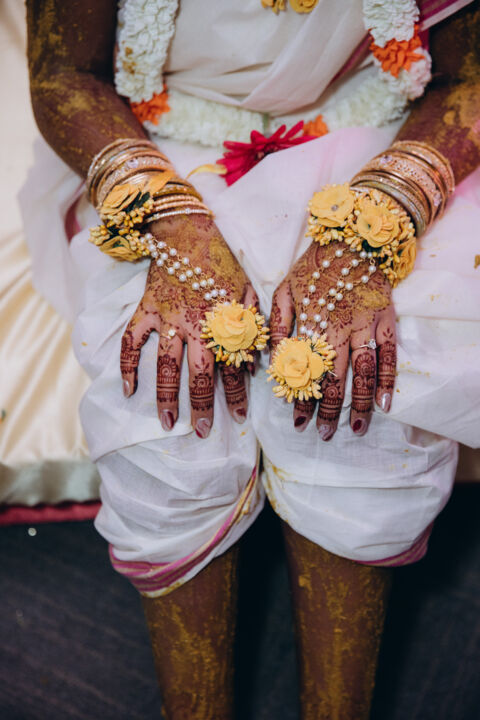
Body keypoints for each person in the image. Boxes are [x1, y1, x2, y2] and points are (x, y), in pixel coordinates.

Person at [24, 1, 480, 718]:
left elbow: (468, 76)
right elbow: (63, 72)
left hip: (376, 137)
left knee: (357, 382)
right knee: (166, 393)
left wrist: (372, 226)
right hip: (157, 142)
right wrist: (170, 219)